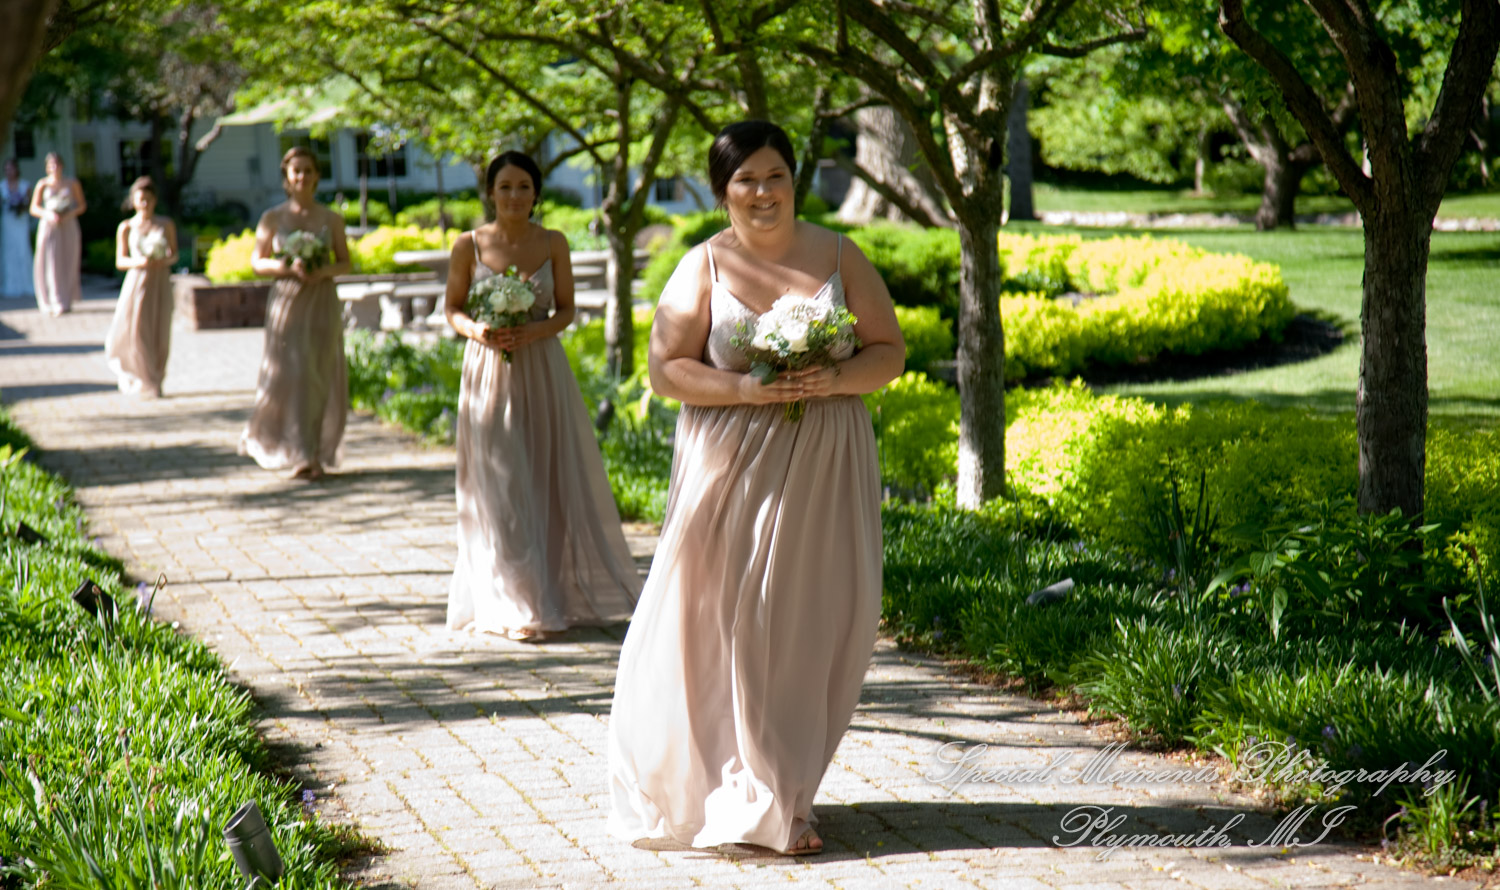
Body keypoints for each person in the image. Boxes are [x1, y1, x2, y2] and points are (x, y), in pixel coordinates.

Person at [607, 121, 905, 855]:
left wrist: (834, 375)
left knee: (808, 628)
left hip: (823, 470)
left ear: (794, 179)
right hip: (729, 471)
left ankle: (785, 791)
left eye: (774, 176)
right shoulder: (701, 266)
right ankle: (755, 797)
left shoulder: (840, 255)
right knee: (733, 630)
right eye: (745, 180)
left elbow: (890, 352)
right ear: (722, 191)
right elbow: (665, 370)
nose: (762, 192)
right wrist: (744, 387)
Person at [443, 150, 642, 641]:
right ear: (490, 192)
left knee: (548, 476)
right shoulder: (467, 245)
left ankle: (549, 593)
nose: (514, 196)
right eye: (505, 186)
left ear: (537, 194)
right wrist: (479, 329)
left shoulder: (553, 242)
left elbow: (567, 310)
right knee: (502, 483)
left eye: (524, 187)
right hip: (489, 369)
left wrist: (532, 334)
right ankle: (514, 604)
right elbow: (451, 309)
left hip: (542, 368)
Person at [239, 146, 351, 481]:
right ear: (287, 177)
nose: (302, 176)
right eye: (295, 171)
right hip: (286, 302)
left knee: (317, 374)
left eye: (308, 170)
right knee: (292, 374)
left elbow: (346, 262)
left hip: (321, 301)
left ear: (317, 175)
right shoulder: (272, 218)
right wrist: (286, 265)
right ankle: (296, 449)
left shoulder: (332, 219)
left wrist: (322, 270)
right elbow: (257, 262)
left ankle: (312, 451)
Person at [105, 177, 177, 397]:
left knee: (160, 330)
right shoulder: (126, 227)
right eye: (140, 200)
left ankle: (157, 377)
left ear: (154, 200)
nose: (145, 204)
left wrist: (160, 260)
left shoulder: (166, 224)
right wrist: (140, 262)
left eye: (148, 199)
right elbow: (121, 261)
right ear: (133, 201)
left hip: (160, 281)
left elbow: (174, 255)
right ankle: (144, 379)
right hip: (137, 282)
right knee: (137, 330)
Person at [29, 152, 85, 316]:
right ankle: (53, 300)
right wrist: (48, 214)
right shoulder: (42, 184)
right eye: (51, 165)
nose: (54, 168)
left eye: (57, 164)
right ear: (47, 167)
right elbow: (34, 208)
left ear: (62, 165)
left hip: (68, 225)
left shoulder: (72, 183)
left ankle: (66, 299)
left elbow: (81, 205)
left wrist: (67, 215)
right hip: (49, 226)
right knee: (50, 262)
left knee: (69, 260)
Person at [1, 159, 34, 300]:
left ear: (16, 170)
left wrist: (21, 206)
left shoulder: (25, 185)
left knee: (23, 249)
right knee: (9, 251)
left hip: (21, 222)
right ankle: (11, 285)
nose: (9, 172)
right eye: (6, 169)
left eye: (11, 169)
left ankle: (27, 284)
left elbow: (31, 205)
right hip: (8, 222)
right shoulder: (1, 186)